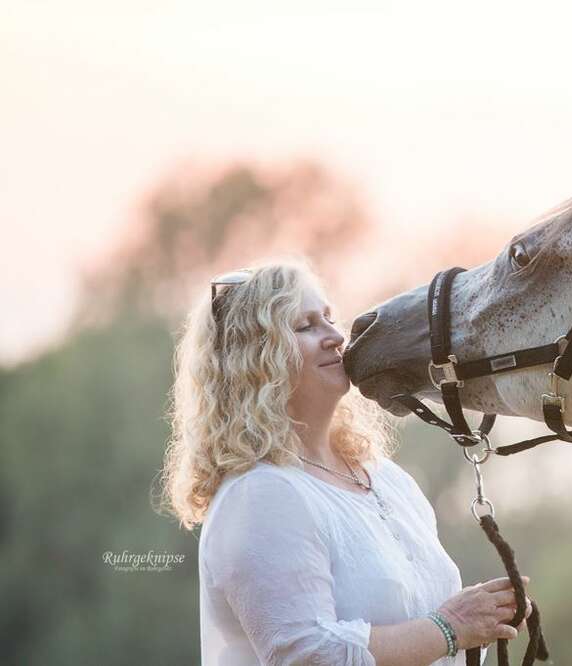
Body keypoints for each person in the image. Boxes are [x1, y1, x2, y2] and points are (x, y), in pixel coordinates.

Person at [159, 258, 530, 665]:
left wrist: (484, 616)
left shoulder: (387, 479)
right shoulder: (257, 495)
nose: (336, 336)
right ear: (253, 361)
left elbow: (427, 627)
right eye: (305, 326)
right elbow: (308, 655)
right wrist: (452, 626)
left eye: (329, 318)